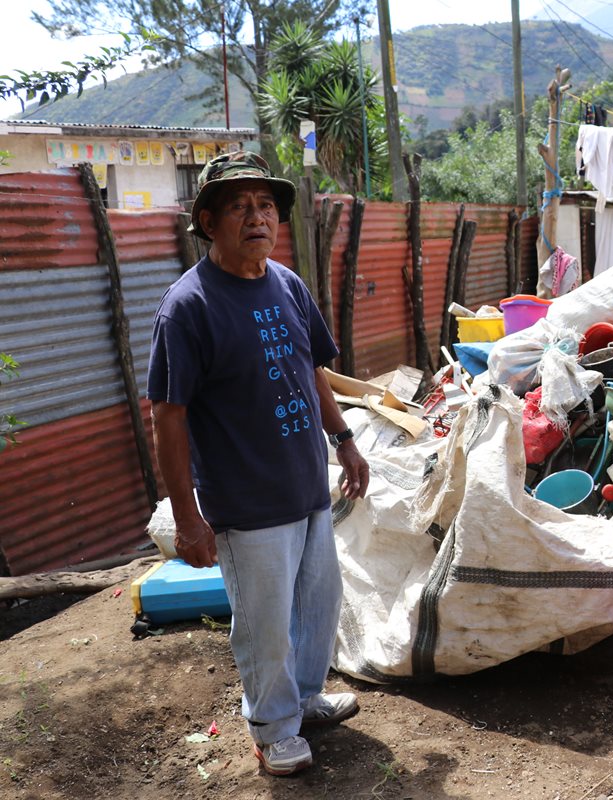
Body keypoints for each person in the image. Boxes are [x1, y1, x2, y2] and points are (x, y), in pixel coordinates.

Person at [147, 151, 371, 776]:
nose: (257, 218)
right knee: (265, 625)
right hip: (246, 503)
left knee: (317, 607)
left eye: (266, 205)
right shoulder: (187, 307)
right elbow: (168, 416)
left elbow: (312, 369)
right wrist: (188, 518)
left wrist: (344, 439)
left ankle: (303, 699)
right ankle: (273, 728)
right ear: (207, 222)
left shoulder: (288, 284)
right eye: (239, 207)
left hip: (307, 487)